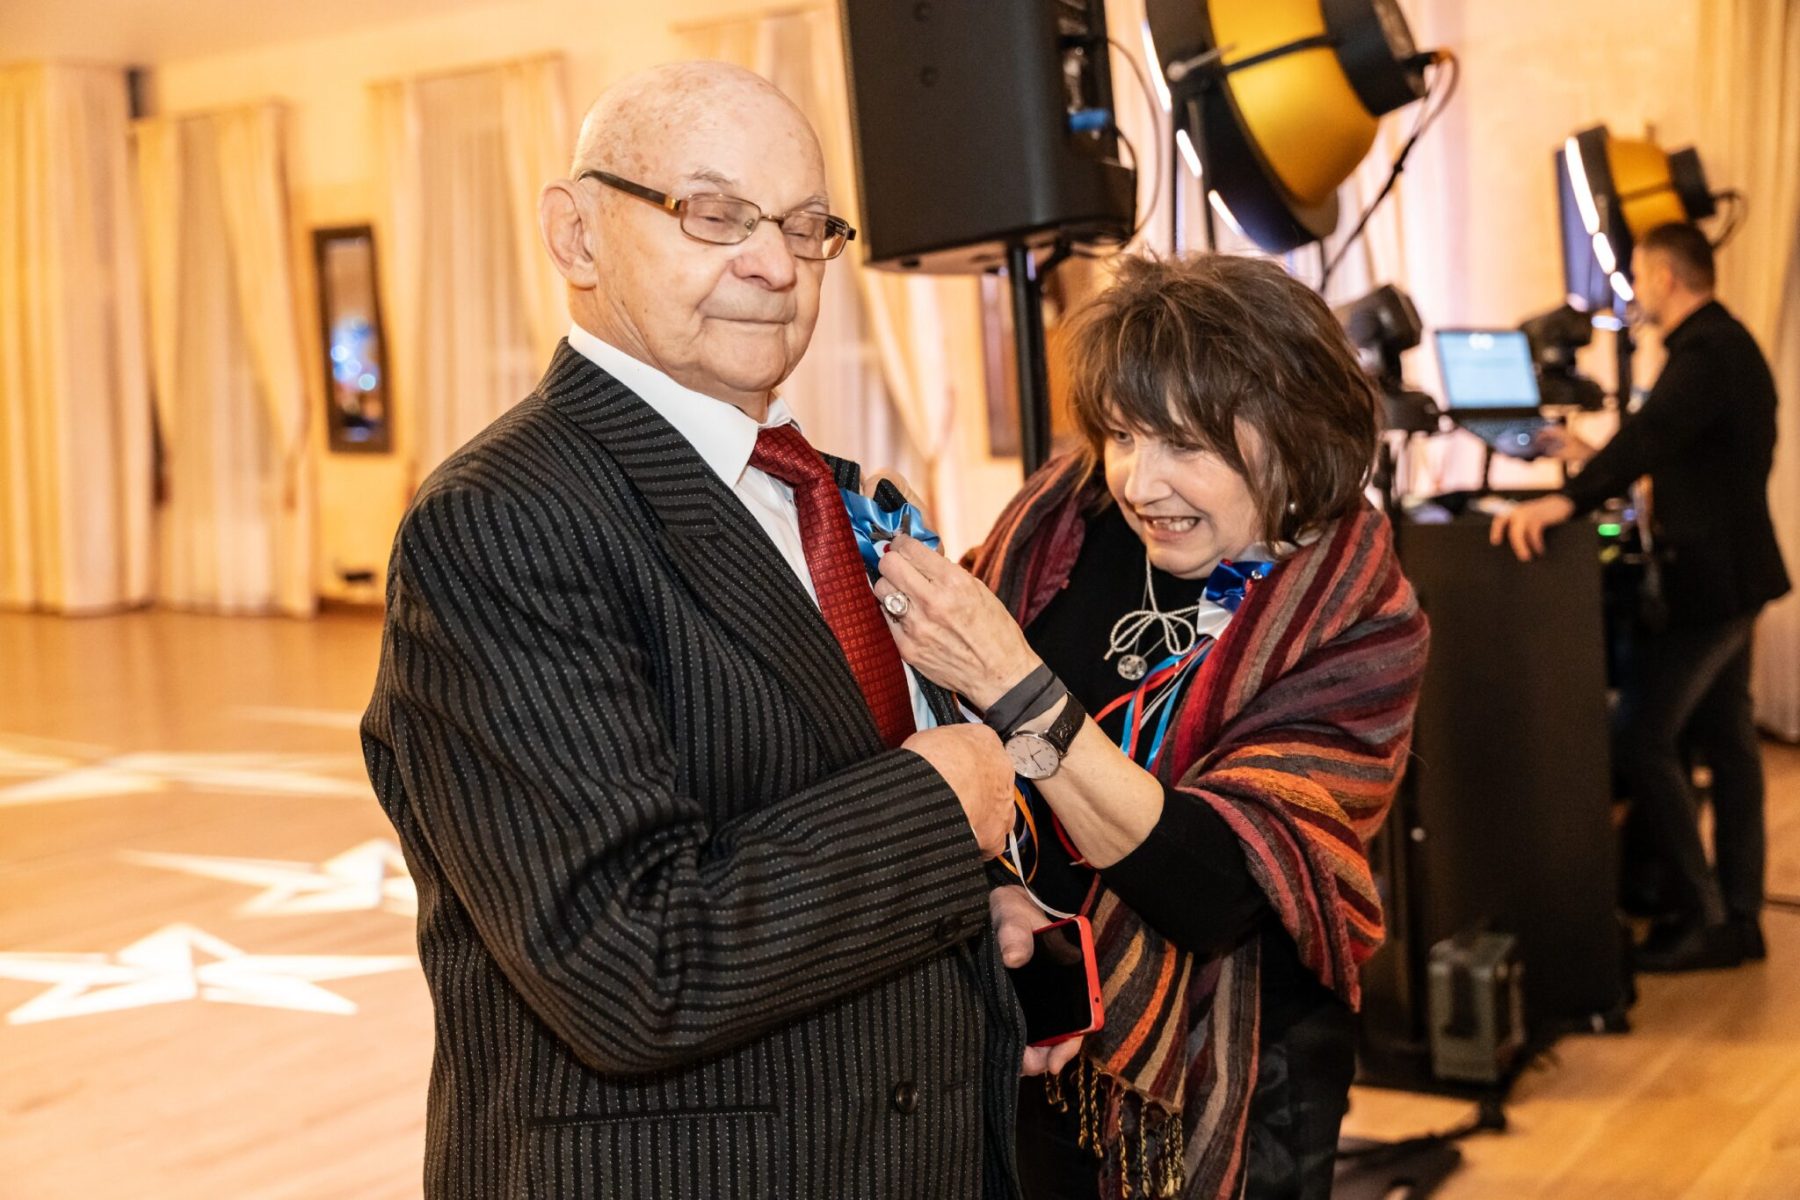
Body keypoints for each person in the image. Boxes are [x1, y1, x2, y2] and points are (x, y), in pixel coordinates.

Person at [361, 62, 1043, 1199]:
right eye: (715, 214)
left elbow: (803, 798)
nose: (775, 264)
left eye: (807, 226)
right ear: (576, 237)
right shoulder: (502, 518)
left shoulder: (820, 489)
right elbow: (631, 961)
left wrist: (965, 915)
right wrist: (940, 804)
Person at [874, 253, 1429, 1200]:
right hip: (1027, 1013)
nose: (1140, 481)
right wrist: (999, 890)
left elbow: (1214, 886)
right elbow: (948, 726)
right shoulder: (1067, 515)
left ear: (1298, 436)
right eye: (1125, 435)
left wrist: (1015, 684)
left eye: (1186, 445)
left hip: (1228, 1062)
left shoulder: (1360, 620)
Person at [1492, 221, 1788, 972]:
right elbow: (1683, 455)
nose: (1636, 293)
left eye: (1641, 277)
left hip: (1712, 584)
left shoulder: (1707, 352)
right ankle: (1738, 917)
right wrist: (1592, 457)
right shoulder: (1725, 347)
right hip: (1735, 576)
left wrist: (1567, 500)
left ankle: (1706, 917)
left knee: (1641, 737)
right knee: (1728, 743)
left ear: (1665, 276)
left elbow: (1652, 436)